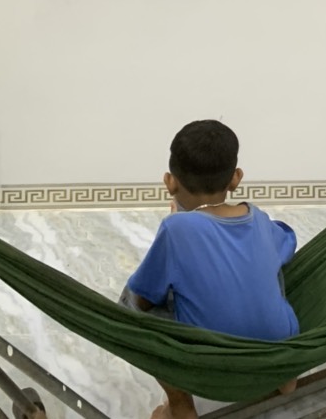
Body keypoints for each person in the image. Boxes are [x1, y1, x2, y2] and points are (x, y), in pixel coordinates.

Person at [121, 119, 299, 419]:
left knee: (128, 305)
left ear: (170, 182)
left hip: (207, 352)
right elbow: (287, 242)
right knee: (274, 266)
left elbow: (144, 298)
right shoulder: (258, 218)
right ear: (236, 178)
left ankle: (180, 404)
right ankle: (286, 377)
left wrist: (179, 224)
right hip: (277, 345)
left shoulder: (175, 230)